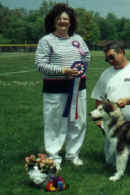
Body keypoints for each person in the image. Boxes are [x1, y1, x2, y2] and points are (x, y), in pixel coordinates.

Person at [35, 3, 90, 169]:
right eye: (59, 19)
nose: (63, 21)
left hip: (78, 87)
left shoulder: (78, 39)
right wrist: (63, 70)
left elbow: (86, 56)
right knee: (54, 123)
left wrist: (79, 70)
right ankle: (53, 156)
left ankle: (73, 154)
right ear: (53, 21)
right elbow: (40, 65)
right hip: (55, 90)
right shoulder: (46, 41)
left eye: (66, 19)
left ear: (71, 22)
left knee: (78, 122)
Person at [91, 41, 130, 168]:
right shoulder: (106, 74)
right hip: (113, 126)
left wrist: (128, 101)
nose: (110, 61)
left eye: (112, 57)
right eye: (107, 59)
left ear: (122, 52)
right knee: (112, 165)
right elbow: (99, 98)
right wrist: (99, 121)